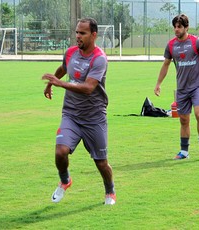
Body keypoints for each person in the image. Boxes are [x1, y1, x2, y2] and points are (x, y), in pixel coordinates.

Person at [42, 17, 116, 205]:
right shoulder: (70, 53)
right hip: (71, 115)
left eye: (82, 33)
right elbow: (63, 68)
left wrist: (61, 83)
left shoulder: (99, 59)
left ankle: (110, 191)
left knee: (101, 163)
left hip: (94, 118)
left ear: (93, 35)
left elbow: (88, 88)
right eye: (76, 32)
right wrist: (52, 82)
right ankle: (65, 180)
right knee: (60, 152)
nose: (77, 36)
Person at [154, 14, 199, 161]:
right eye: (174, 26)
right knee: (183, 120)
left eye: (179, 27)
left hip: (197, 87)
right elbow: (166, 64)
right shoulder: (171, 45)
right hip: (181, 89)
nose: (176, 29)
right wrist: (158, 84)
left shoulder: (196, 42)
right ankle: (184, 151)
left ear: (186, 27)